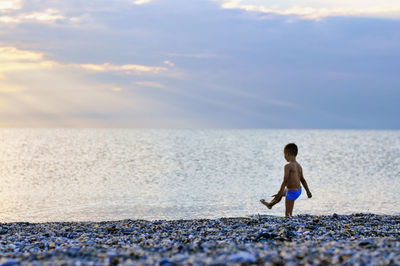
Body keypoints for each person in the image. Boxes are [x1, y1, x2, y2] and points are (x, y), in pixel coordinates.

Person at [260, 143, 312, 216]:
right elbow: (303, 180)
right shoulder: (299, 166)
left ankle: (275, 204)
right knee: (282, 192)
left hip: (292, 192)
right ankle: (270, 204)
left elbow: (285, 181)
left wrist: (279, 193)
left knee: (288, 215)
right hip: (298, 190)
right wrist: (308, 192)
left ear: (287, 154)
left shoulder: (288, 166)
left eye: (284, 155)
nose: (284, 157)